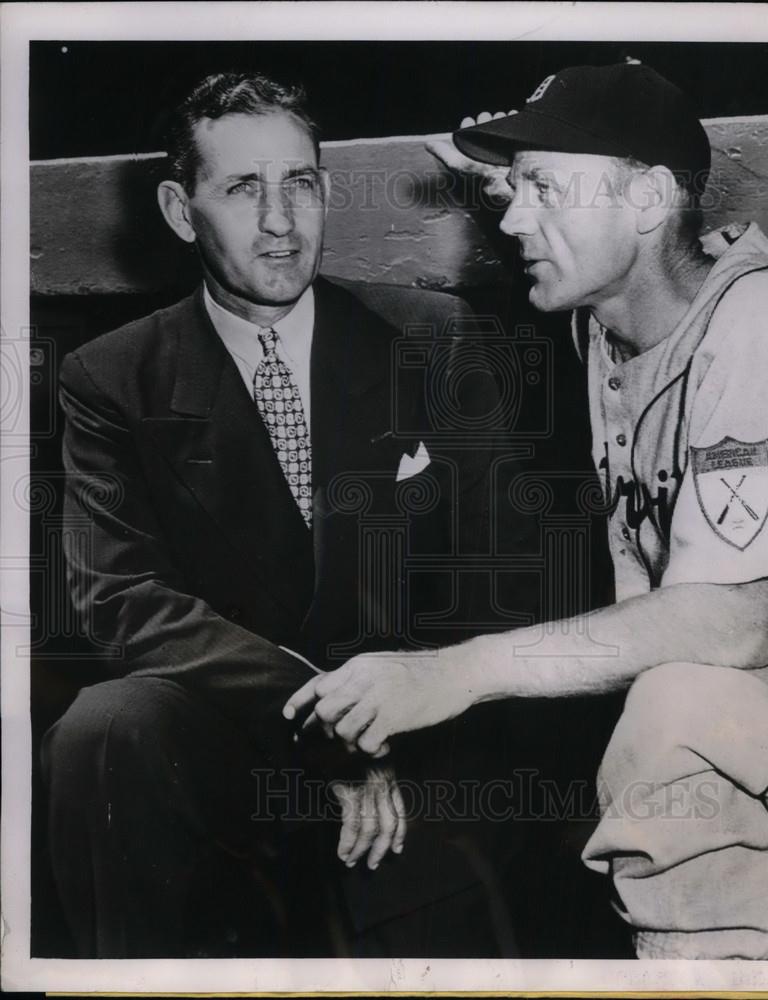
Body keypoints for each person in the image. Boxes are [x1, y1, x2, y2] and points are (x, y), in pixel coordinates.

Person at [286, 62, 768, 960]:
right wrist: (516, 184)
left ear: (649, 199)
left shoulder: (758, 325)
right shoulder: (612, 320)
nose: (513, 217)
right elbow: (598, 244)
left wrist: (452, 672)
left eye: (543, 188)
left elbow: (731, 623)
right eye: (513, 190)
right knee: (695, 771)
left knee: (678, 724)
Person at [42, 71, 535, 958]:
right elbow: (121, 601)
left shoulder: (434, 338)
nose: (280, 222)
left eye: (299, 184)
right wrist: (328, 737)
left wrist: (395, 717)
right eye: (242, 188)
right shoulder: (111, 378)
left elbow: (505, 580)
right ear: (180, 210)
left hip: (417, 737)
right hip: (243, 738)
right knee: (104, 731)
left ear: (325, 191)